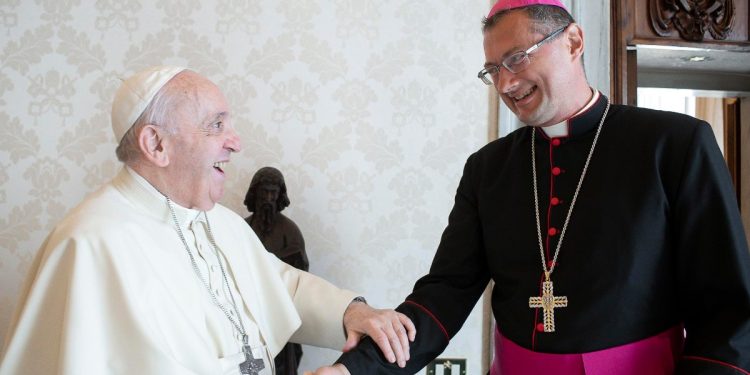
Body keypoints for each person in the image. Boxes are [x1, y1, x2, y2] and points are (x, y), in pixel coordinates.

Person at [312, 0, 750, 374]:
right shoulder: (487, 168)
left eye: (518, 58)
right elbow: (445, 292)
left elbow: (726, 309)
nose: (505, 84)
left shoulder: (674, 144)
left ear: (573, 42)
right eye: (492, 70)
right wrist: (354, 368)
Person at [0, 66, 416, 375]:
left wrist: (351, 311)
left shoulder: (219, 222)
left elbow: (278, 285)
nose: (235, 141)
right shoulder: (88, 244)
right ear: (156, 144)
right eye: (216, 125)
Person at [244, 167, 309, 374]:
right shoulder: (242, 228)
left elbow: (302, 273)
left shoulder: (289, 231)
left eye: (273, 193)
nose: (269, 198)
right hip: (250, 311)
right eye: (264, 192)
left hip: (281, 309)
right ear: (256, 193)